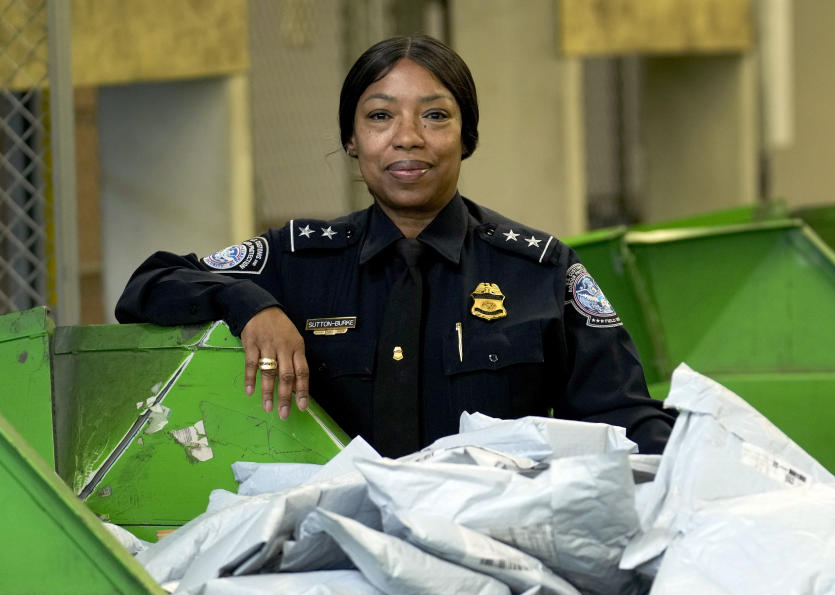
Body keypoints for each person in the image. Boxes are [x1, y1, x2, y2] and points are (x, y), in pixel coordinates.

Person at [116, 35, 674, 457]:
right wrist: (252, 306)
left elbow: (623, 418)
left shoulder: (539, 271)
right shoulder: (297, 260)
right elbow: (148, 285)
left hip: (497, 552)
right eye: (380, 116)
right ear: (352, 142)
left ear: (466, 136)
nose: (407, 137)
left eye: (435, 115)